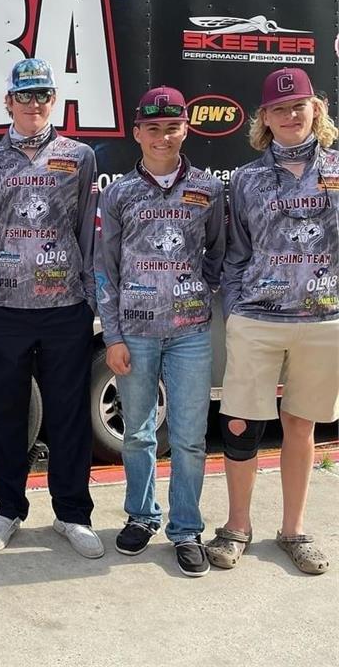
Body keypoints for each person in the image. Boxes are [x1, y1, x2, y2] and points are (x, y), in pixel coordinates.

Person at [205, 67, 338, 575]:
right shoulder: (245, 179)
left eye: (297, 106)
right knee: (240, 425)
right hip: (258, 317)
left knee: (300, 424)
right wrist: (237, 309)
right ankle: (237, 526)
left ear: (315, 109)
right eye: (278, 109)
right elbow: (234, 251)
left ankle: (295, 530)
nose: (289, 116)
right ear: (264, 118)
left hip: (323, 319)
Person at [0, 58, 103, 558]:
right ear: (8, 102)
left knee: (69, 415)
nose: (34, 105)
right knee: (5, 414)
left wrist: (91, 300)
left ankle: (71, 513)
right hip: (5, 306)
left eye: (42, 95)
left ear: (55, 100)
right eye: (24, 96)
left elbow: (89, 232)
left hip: (66, 306)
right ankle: (8, 508)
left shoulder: (81, 156)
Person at [95, 86, 225, 577]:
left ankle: (186, 529)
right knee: (138, 434)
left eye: (172, 126)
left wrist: (195, 289)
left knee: (190, 438)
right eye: (153, 128)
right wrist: (113, 335)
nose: (163, 136)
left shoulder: (210, 191)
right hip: (136, 331)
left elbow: (218, 253)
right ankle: (141, 516)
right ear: (137, 133)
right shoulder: (119, 194)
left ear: (185, 129)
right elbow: (103, 268)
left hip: (191, 331)